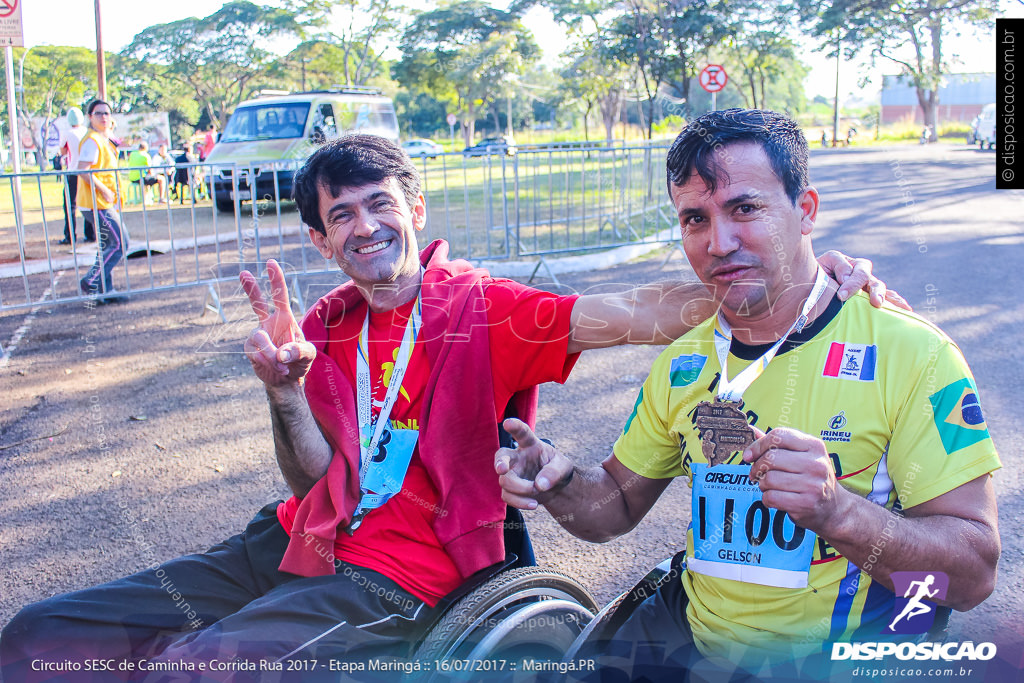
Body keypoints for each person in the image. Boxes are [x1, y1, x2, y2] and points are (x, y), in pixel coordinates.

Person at [0, 133, 892, 680]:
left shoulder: (485, 308)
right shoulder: (326, 325)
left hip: (399, 576)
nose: (364, 227)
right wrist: (282, 389)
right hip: (298, 539)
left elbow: (641, 313)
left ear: (414, 207)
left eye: (378, 204)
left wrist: (801, 273)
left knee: (196, 669)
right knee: (41, 635)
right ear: (319, 237)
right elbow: (315, 474)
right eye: (339, 216)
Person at [495, 109, 1001, 680]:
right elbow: (616, 505)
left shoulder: (913, 354)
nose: (719, 242)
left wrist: (838, 512)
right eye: (694, 219)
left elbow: (971, 579)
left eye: (745, 208)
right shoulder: (682, 363)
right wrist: (560, 482)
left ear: (805, 211)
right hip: (697, 647)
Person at [76, 99, 130, 305]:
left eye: (107, 113)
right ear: (90, 117)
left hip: (101, 202)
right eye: (99, 114)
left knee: (108, 245)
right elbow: (82, 169)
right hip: (95, 203)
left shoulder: (102, 138)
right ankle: (91, 279)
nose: (104, 117)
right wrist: (104, 190)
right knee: (120, 243)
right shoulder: (92, 140)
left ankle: (105, 291)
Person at [55, 107, 94, 245]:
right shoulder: (87, 132)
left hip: (73, 171)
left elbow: (63, 150)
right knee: (88, 203)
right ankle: (90, 234)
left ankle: (70, 235)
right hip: (87, 172)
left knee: (70, 205)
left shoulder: (67, 133)